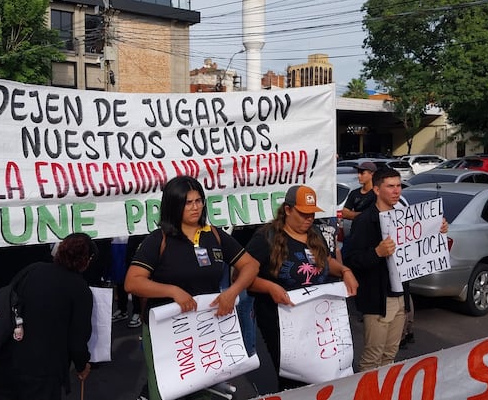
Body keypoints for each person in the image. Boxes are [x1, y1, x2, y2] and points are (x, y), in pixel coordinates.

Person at [124, 175, 259, 400]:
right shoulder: (159, 239)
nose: (196, 207)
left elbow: (251, 265)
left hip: (206, 329)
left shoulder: (213, 234)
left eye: (199, 201)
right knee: (167, 392)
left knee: (206, 391)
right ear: (173, 205)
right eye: (188, 203)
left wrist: (232, 292)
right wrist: (172, 291)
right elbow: (133, 281)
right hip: (167, 332)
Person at [245, 185, 358, 390]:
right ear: (287, 210)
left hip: (315, 320)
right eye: (303, 213)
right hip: (281, 321)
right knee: (295, 378)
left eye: (312, 213)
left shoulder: (314, 233)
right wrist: (270, 287)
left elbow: (326, 261)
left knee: (323, 371)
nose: (308, 218)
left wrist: (344, 271)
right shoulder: (266, 237)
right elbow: (241, 276)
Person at [343, 168, 446, 371]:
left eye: (399, 185)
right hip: (378, 299)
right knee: (373, 357)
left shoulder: (405, 217)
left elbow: (420, 242)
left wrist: (438, 228)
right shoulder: (365, 221)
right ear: (376, 190)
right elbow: (351, 260)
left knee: (390, 354)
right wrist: (377, 253)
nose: (396, 191)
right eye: (390, 186)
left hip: (400, 296)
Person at [0, 233, 94, 400]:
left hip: (4, 364)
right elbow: (78, 339)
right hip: (42, 374)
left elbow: (1, 313)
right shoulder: (80, 290)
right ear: (86, 260)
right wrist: (82, 365)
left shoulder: (33, 269)